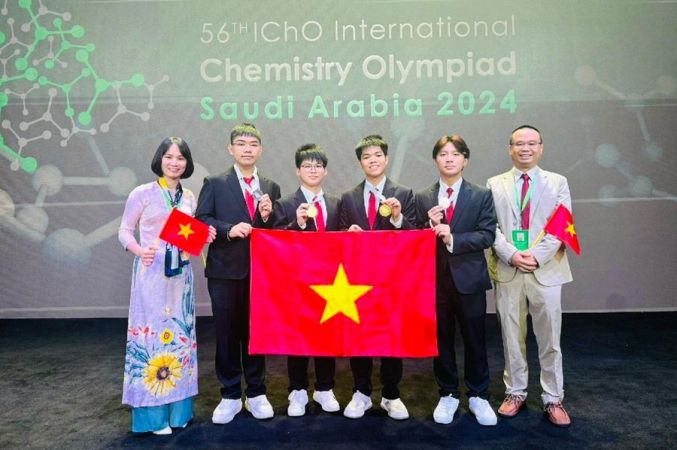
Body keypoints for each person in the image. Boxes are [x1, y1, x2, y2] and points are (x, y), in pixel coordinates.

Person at [118, 136, 216, 435]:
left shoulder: (189, 197)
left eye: (180, 158)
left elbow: (189, 237)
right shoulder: (142, 193)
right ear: (159, 159)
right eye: (169, 157)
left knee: (180, 339)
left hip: (181, 278)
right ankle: (153, 417)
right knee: (152, 340)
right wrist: (139, 250)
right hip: (151, 275)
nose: (175, 163)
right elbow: (124, 230)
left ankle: (179, 413)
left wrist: (205, 235)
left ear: (187, 163)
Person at [486, 125, 573, 427]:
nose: (525, 148)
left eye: (532, 143)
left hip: (546, 270)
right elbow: (490, 227)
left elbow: (562, 226)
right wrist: (511, 254)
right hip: (508, 269)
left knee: (550, 339)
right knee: (511, 337)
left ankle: (553, 398)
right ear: (510, 149)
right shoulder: (494, 184)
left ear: (541, 148)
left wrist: (536, 256)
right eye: (519, 144)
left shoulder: (557, 182)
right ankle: (515, 392)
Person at [195, 123, 281, 424]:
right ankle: (230, 394)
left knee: (256, 334)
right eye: (241, 144)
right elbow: (201, 219)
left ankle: (256, 392)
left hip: (260, 273)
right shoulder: (215, 182)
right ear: (230, 149)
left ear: (261, 150)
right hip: (224, 272)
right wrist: (228, 229)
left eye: (253, 144)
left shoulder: (270, 186)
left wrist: (267, 217)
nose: (247, 149)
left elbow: (275, 231)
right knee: (227, 334)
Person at [415, 134, 498, 426]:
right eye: (443, 154)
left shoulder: (481, 195)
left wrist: (453, 238)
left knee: (475, 339)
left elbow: (487, 235)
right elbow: (413, 238)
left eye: (455, 154)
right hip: (435, 281)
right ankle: (448, 393)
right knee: (442, 340)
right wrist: (429, 225)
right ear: (435, 160)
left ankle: (478, 394)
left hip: (470, 279)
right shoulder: (423, 197)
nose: (449, 159)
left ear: (465, 160)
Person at [338, 134, 416, 420]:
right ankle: (361, 392)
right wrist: (348, 235)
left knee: (391, 338)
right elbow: (339, 236)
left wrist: (397, 218)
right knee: (359, 338)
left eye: (377, 155)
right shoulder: (348, 197)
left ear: (386, 159)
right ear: (360, 163)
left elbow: (416, 236)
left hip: (392, 279)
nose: (372, 160)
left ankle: (391, 394)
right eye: (366, 157)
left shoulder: (404, 194)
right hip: (357, 280)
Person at [271, 143, 341, 417]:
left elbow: (343, 240)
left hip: (330, 281)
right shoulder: (285, 204)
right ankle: (297, 390)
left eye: (318, 166)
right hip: (296, 283)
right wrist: (297, 225)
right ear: (297, 171)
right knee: (297, 337)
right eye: (307, 166)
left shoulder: (336, 203)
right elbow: (275, 242)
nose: (313, 170)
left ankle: (325, 388)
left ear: (326, 171)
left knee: (326, 336)